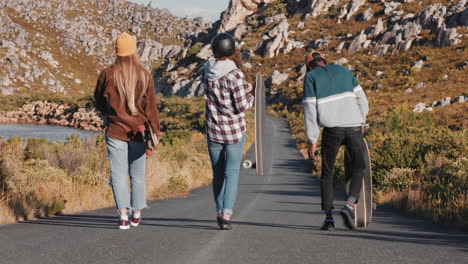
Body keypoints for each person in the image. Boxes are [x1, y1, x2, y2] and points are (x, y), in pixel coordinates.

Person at [94, 32, 161, 230]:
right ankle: (136, 213)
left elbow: (99, 101)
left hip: (115, 131)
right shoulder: (143, 74)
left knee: (118, 175)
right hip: (139, 132)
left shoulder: (107, 73)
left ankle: (123, 216)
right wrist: (155, 133)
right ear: (134, 51)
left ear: (117, 51)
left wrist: (109, 114)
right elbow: (150, 108)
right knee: (137, 175)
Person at [302, 51, 369, 231]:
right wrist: (362, 121)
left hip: (332, 130)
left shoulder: (310, 77)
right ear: (324, 61)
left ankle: (329, 218)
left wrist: (312, 140)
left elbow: (310, 110)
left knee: (328, 172)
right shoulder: (344, 71)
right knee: (360, 167)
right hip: (354, 127)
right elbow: (363, 101)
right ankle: (349, 204)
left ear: (309, 66)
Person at [202, 33, 254, 230]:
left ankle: (218, 210)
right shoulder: (235, 75)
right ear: (232, 51)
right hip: (233, 132)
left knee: (218, 173)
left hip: (214, 130)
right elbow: (241, 106)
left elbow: (209, 95)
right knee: (232, 173)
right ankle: (226, 214)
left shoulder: (206, 70)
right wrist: (251, 97)